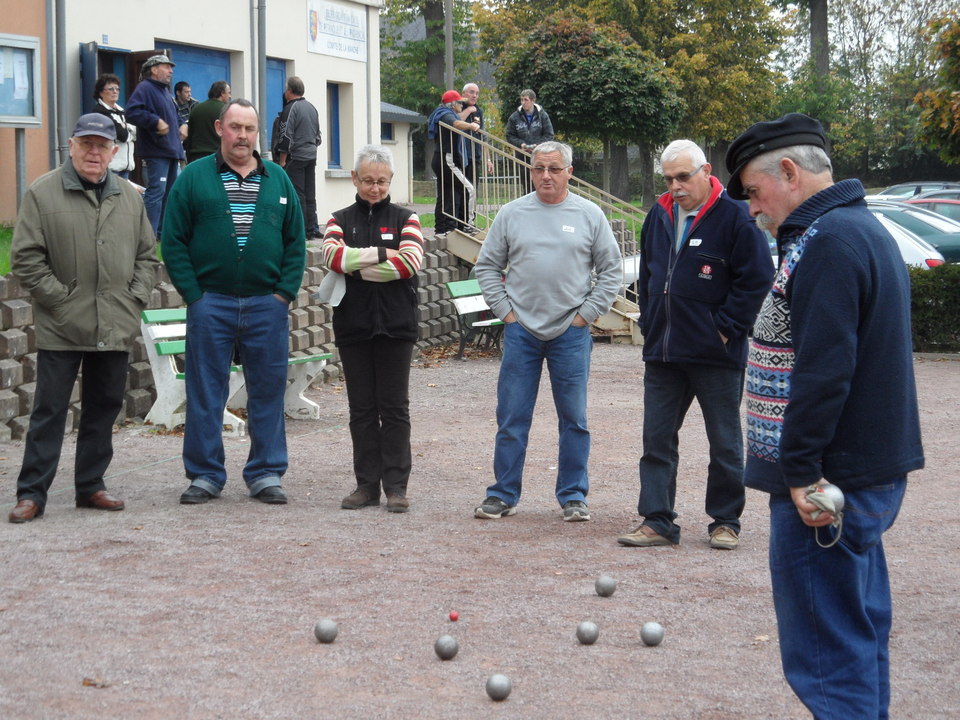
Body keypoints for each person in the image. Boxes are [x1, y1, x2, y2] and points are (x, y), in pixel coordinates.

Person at [725, 113, 924, 718]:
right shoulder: (855, 229)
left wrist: (802, 471)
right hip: (855, 474)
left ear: (788, 172)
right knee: (855, 636)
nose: (754, 210)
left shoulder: (830, 241)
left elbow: (825, 371)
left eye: (755, 193)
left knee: (826, 654)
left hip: (826, 484)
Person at [616, 140, 772, 550]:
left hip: (716, 354)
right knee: (657, 439)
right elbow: (649, 278)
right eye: (668, 179)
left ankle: (725, 521)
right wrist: (650, 321)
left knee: (724, 441)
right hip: (664, 351)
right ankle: (657, 520)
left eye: (683, 177)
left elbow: (756, 279)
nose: (675, 186)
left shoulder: (737, 216)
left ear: (705, 172)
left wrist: (724, 328)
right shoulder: (659, 214)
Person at [7, 114, 157, 523]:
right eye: (86, 144)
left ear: (113, 151)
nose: (94, 152)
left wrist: (133, 299)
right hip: (62, 325)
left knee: (104, 407)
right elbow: (25, 257)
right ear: (71, 146)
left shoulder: (129, 196)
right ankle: (32, 493)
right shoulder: (42, 193)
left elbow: (147, 256)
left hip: (114, 322)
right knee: (49, 411)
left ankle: (91, 485)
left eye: (101, 145)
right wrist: (61, 300)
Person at [161, 99, 306, 506]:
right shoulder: (193, 178)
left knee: (267, 390)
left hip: (266, 305)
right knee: (206, 390)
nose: (242, 136)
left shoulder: (277, 180)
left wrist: (283, 294)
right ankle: (205, 474)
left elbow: (296, 243)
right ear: (220, 129)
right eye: (235, 127)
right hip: (212, 304)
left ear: (257, 132)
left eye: (249, 128)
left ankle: (266, 472)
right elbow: (172, 241)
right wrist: (194, 295)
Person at [473, 141, 622, 522]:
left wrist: (585, 316)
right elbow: (487, 267)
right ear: (531, 170)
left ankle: (573, 495)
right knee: (511, 417)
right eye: (539, 168)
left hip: (571, 333)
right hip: (521, 331)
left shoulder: (590, 215)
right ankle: (503, 494)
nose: (546, 176)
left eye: (554, 169)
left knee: (574, 419)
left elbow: (611, 271)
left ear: (570, 172)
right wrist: (507, 314)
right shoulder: (511, 214)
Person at [320, 145, 424, 513]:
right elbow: (330, 256)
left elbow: (410, 263)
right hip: (353, 325)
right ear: (354, 179)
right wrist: (384, 255)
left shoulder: (406, 218)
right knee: (361, 409)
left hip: (397, 326)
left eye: (381, 181)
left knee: (395, 408)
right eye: (368, 181)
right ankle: (366, 485)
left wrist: (356, 260)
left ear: (391, 180)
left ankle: (397, 486)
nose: (375, 188)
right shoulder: (337, 219)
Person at [126, 54, 186, 237]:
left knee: (170, 194)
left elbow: (175, 116)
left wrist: (184, 124)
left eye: (171, 68)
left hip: (171, 151)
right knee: (156, 193)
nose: (171, 71)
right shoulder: (145, 88)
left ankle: (162, 233)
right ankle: (148, 234)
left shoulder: (165, 92)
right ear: (154, 69)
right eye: (167, 67)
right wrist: (155, 122)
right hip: (157, 150)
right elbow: (132, 112)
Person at [272, 76, 322, 238]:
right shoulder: (312, 108)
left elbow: (285, 136)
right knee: (310, 193)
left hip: (296, 157)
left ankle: (301, 230)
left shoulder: (290, 108)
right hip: (311, 156)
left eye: (286, 88)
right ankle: (313, 227)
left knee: (298, 193)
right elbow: (318, 137)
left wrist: (282, 161)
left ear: (290, 91)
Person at [426, 89, 479, 234]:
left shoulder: (441, 112)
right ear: (452, 104)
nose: (461, 106)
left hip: (440, 158)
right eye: (460, 103)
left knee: (445, 194)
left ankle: (443, 229)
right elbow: (456, 124)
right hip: (446, 159)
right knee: (469, 189)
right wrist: (470, 126)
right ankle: (468, 226)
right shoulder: (446, 114)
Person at [505, 89, 555, 193]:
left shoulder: (542, 116)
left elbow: (549, 134)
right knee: (526, 183)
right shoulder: (514, 117)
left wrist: (537, 145)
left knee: (539, 181)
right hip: (522, 156)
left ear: (533, 101)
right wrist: (521, 144)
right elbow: (509, 135)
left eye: (526, 100)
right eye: (521, 100)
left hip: (540, 155)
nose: (523, 102)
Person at [90, 73, 136, 178]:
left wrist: (126, 127)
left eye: (117, 89)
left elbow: (139, 133)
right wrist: (128, 131)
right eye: (111, 89)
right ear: (101, 92)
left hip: (125, 167)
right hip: (111, 167)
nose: (115, 91)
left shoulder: (122, 111)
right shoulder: (100, 112)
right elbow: (122, 135)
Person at [184, 80, 231, 163]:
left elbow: (189, 136)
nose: (230, 96)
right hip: (218, 157)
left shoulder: (196, 109)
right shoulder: (227, 111)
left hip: (196, 157)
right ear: (222, 93)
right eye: (229, 93)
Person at [460, 83, 494, 191]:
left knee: (473, 189)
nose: (474, 96)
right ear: (463, 93)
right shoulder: (458, 106)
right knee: (461, 190)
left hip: (475, 157)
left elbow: (483, 136)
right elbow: (455, 121)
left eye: (477, 93)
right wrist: (469, 110)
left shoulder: (478, 111)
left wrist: (488, 159)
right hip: (460, 156)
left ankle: (471, 208)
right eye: (471, 92)